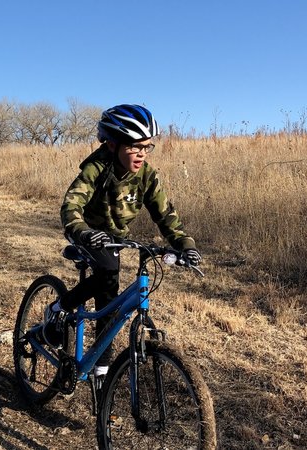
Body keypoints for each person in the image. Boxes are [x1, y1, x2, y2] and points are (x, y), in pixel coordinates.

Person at [42, 104, 202, 378]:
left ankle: (101, 366)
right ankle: (58, 310)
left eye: (147, 147)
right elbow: (72, 204)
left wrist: (185, 244)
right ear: (113, 144)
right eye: (134, 146)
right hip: (88, 234)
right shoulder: (97, 168)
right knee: (107, 278)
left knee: (111, 299)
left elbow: (165, 215)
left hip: (115, 238)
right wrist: (81, 230)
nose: (141, 153)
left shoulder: (147, 176)